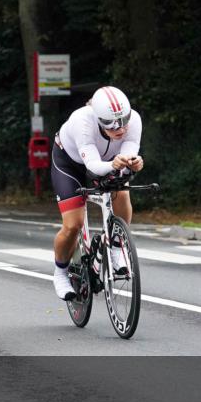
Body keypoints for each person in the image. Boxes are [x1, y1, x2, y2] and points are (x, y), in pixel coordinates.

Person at [50, 86, 144, 300]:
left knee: (121, 189)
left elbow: (127, 157)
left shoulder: (135, 120)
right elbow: (92, 164)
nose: (120, 129)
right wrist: (114, 163)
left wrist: (133, 163)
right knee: (72, 225)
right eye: (111, 125)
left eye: (123, 121)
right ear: (99, 119)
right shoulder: (81, 121)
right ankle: (61, 272)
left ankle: (117, 246)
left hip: (107, 161)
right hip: (70, 163)